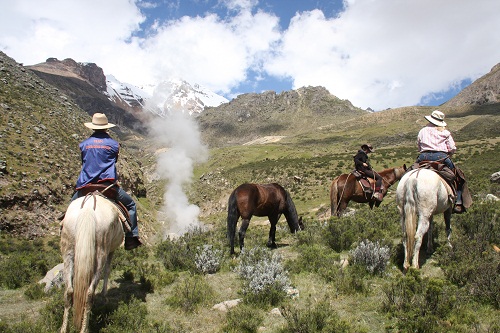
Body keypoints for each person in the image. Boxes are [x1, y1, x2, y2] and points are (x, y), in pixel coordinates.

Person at [72, 113, 142, 250]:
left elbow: (84, 161)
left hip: (86, 186)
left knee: (70, 208)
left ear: (93, 127)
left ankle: (64, 229)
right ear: (106, 128)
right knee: (131, 205)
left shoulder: (84, 145)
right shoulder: (114, 145)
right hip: (107, 186)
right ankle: (131, 238)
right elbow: (113, 160)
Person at [416, 110, 464, 213]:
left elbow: (419, 146)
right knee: (458, 177)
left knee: (409, 172)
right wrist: (449, 153)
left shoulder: (422, 131)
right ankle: (458, 202)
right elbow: (452, 148)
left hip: (423, 157)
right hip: (441, 157)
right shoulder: (445, 132)